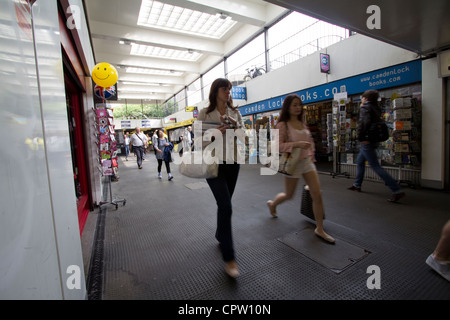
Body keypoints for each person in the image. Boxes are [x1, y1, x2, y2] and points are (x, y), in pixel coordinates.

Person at [267, 94, 335, 244]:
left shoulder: (302, 122)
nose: (298, 107)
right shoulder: (282, 125)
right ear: (288, 107)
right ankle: (273, 204)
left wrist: (311, 155)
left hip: (307, 162)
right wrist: (297, 144)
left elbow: (309, 141)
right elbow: (278, 146)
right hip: (292, 163)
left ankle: (320, 228)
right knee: (289, 195)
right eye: (294, 105)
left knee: (317, 194)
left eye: (299, 105)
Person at [197, 78, 245, 278]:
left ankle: (220, 234)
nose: (228, 92)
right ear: (216, 91)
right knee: (226, 206)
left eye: (230, 89)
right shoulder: (205, 113)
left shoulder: (235, 113)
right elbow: (198, 142)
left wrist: (236, 127)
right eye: (225, 89)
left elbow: (244, 139)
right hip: (213, 165)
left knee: (225, 204)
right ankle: (229, 258)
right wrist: (214, 133)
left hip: (233, 163)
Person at [348, 89, 405, 202]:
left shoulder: (365, 108)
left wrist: (361, 138)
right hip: (373, 139)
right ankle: (357, 184)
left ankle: (396, 190)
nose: (362, 99)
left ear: (366, 98)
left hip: (366, 140)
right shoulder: (376, 108)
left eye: (363, 97)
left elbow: (363, 124)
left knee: (375, 166)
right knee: (360, 161)